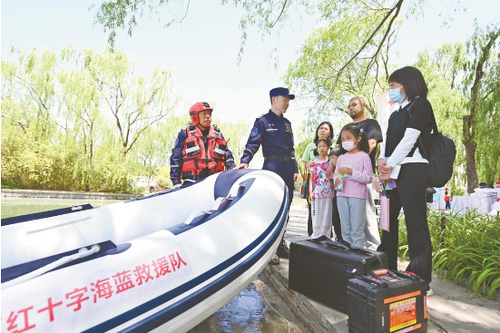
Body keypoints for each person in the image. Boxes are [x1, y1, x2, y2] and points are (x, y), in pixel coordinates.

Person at [377, 66, 434, 293]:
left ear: (407, 84)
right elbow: (388, 140)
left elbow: (409, 139)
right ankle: (387, 266)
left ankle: (420, 276)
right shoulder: (395, 113)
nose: (391, 90)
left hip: (412, 170)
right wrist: (382, 161)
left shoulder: (421, 105)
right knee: (388, 222)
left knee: (415, 223)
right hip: (393, 172)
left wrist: (390, 163)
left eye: (393, 86)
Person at [235, 87, 300, 262]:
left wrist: (295, 168)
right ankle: (269, 249)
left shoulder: (287, 124)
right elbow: (253, 142)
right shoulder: (262, 121)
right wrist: (245, 159)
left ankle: (280, 244)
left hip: (287, 168)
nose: (287, 103)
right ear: (273, 100)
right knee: (272, 207)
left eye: (288, 100)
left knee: (286, 208)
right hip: (273, 166)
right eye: (284, 99)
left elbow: (292, 149)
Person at [327, 96, 383, 250]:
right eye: (349, 106)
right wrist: (333, 165)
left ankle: (373, 250)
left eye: (354, 105)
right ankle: (347, 247)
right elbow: (337, 149)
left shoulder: (371, 124)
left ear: (363, 105)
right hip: (344, 186)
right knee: (346, 221)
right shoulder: (346, 128)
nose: (351, 108)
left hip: (362, 182)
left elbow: (372, 143)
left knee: (367, 217)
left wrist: (356, 157)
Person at [170, 102, 235, 187]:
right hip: (191, 182)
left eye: (209, 113)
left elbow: (228, 156)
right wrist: (176, 182)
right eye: (204, 113)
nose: (208, 116)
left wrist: (234, 173)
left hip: (214, 182)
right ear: (195, 116)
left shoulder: (217, 135)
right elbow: (175, 158)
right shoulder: (184, 134)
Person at [333, 124, 373, 248]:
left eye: (348, 138)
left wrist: (352, 172)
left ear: (358, 139)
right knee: (345, 230)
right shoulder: (341, 158)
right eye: (343, 139)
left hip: (357, 197)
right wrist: (337, 181)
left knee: (356, 231)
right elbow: (336, 175)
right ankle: (347, 257)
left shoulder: (364, 156)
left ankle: (357, 257)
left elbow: (369, 178)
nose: (345, 142)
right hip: (341, 196)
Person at [301, 121, 334, 236]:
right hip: (315, 186)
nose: (323, 130)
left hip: (328, 189)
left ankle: (327, 237)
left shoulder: (333, 149)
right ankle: (312, 236)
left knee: (327, 213)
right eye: (321, 128)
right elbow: (304, 164)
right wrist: (308, 165)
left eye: (326, 129)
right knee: (313, 212)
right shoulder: (310, 146)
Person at [308, 139, 334, 240]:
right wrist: (311, 191)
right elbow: (311, 178)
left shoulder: (331, 162)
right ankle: (316, 234)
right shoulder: (314, 162)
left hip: (328, 192)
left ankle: (325, 235)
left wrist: (333, 192)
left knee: (327, 213)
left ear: (328, 148)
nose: (322, 148)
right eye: (319, 146)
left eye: (324, 146)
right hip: (317, 192)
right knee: (316, 213)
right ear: (317, 149)